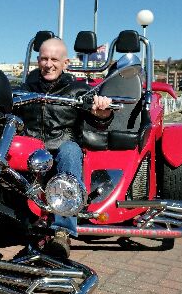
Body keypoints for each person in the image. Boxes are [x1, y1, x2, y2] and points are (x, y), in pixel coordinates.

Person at [15, 38, 113, 257]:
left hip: (62, 150)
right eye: (44, 58)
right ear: (38, 61)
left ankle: (62, 233)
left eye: (54, 59)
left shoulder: (80, 90)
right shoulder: (24, 89)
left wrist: (103, 112)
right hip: (31, 150)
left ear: (66, 63)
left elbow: (99, 121)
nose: (48, 64)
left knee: (71, 150)